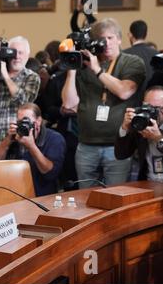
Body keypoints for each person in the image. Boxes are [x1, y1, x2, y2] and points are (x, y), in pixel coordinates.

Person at [61, 18, 146, 188]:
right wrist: (71, 70)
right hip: (86, 144)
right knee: (85, 198)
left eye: (110, 38)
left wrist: (97, 70)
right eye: (101, 39)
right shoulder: (84, 65)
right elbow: (69, 104)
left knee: (115, 197)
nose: (106, 43)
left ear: (120, 39)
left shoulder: (132, 62)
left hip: (117, 146)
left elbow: (124, 91)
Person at [0, 36, 40, 151]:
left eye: (20, 53)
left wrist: (5, 75)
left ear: (27, 55)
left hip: (17, 140)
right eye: (13, 53)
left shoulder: (32, 77)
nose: (17, 57)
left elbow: (24, 101)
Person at [0, 103, 66, 196]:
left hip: (42, 195)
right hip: (14, 192)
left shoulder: (55, 138)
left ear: (39, 121)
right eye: (20, 122)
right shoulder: (15, 135)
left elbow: (50, 173)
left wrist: (31, 146)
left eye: (26, 121)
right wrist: (8, 139)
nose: (23, 125)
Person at [115, 86, 163, 182]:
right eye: (148, 107)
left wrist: (158, 139)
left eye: (157, 108)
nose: (152, 112)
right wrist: (125, 128)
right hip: (149, 183)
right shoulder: (141, 124)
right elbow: (121, 154)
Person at [124, 20, 158, 87]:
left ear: (130, 35)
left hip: (131, 96)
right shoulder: (157, 54)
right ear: (146, 34)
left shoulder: (124, 55)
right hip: (153, 96)